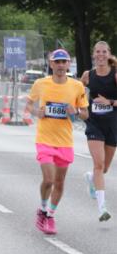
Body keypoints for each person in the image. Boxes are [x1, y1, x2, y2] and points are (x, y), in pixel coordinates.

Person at [24, 48, 89, 236]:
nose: (60, 65)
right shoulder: (40, 83)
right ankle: (43, 209)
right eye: (57, 62)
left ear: (68, 64)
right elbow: (29, 104)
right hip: (45, 139)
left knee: (59, 183)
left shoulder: (77, 86)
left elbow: (85, 114)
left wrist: (75, 112)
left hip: (65, 141)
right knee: (49, 179)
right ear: (51, 64)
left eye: (64, 62)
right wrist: (37, 112)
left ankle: (50, 215)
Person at [81, 40, 117, 222]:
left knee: (105, 168)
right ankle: (102, 208)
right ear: (94, 55)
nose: (101, 55)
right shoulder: (88, 75)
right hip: (94, 123)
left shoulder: (115, 75)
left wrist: (110, 102)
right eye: (98, 52)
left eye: (104, 52)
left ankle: (91, 178)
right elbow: (78, 96)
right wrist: (80, 109)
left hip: (112, 124)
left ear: (109, 54)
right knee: (99, 164)